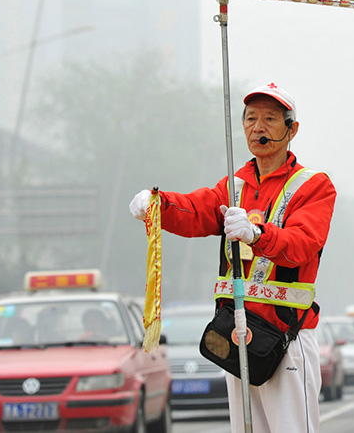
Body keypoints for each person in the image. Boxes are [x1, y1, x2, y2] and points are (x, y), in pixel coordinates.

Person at [129, 82, 336, 433]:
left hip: (286, 333)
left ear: (292, 129)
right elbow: (196, 210)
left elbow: (303, 243)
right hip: (238, 331)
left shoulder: (313, 186)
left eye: (270, 118)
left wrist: (257, 234)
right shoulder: (234, 185)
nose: (258, 128)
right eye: (251, 119)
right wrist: (158, 204)